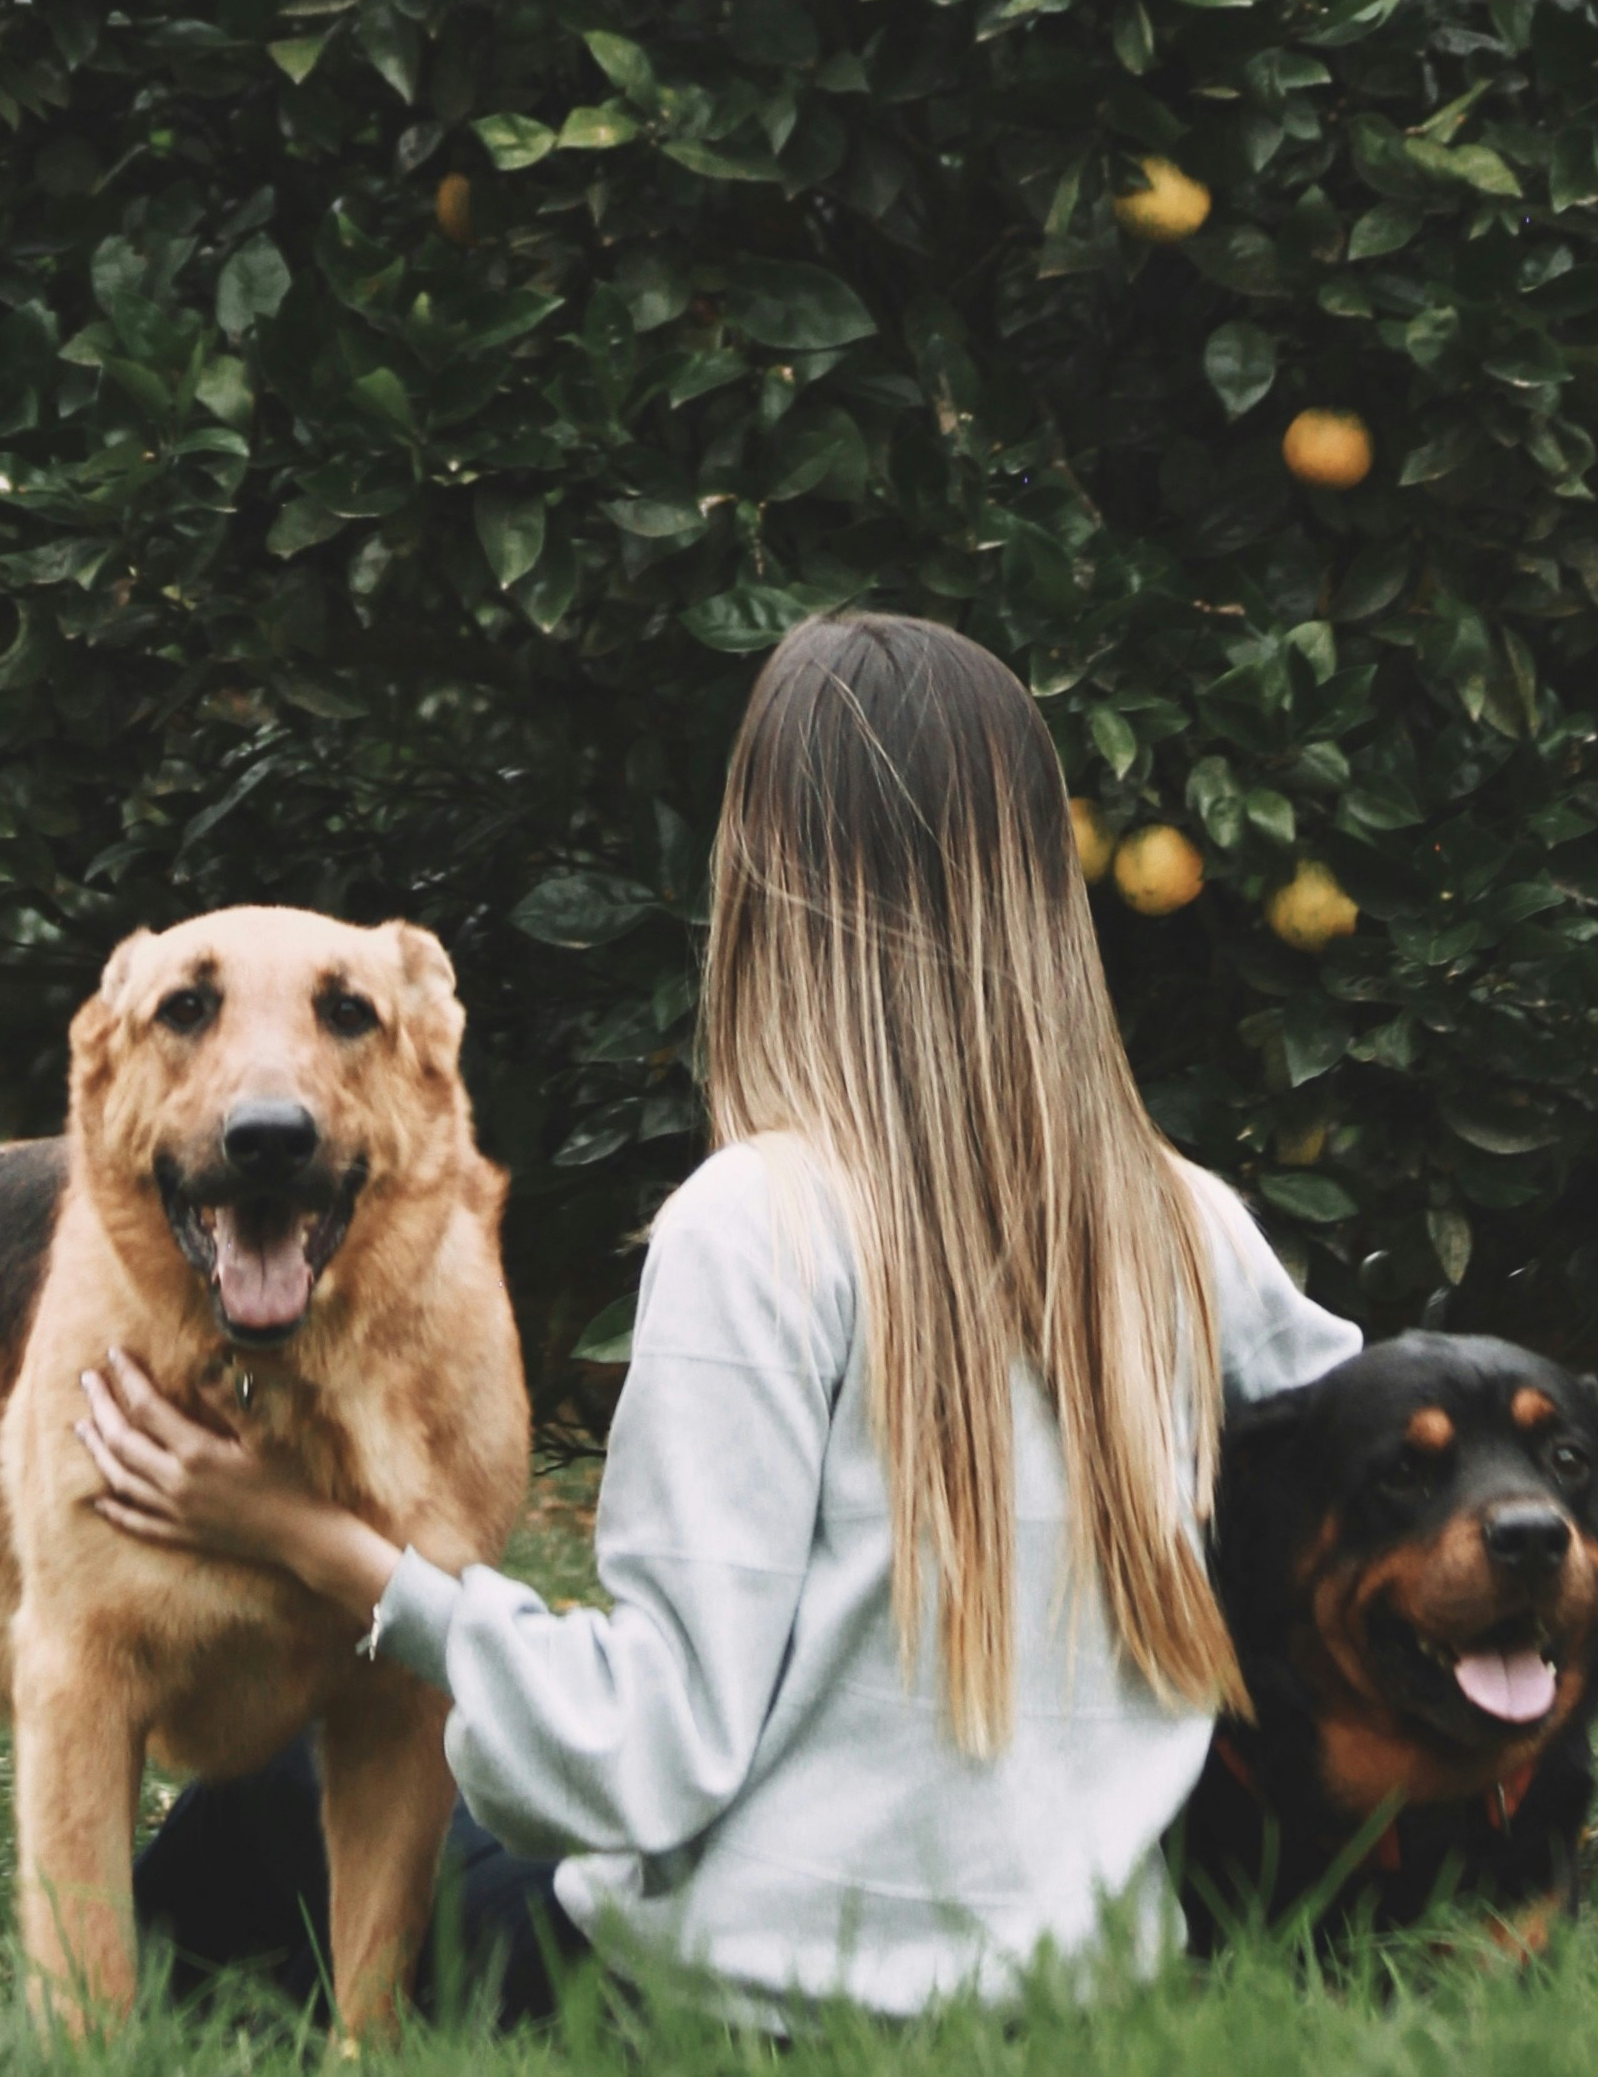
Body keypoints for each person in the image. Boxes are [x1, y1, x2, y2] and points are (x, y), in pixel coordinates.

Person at [79, 609, 1358, 2025]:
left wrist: (321, 1545)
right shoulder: (1185, 1219)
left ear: (762, 882)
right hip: (1073, 1986)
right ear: (1037, 886)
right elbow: (1382, 1455)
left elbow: (653, 1747)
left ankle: (112, 2033)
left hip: (735, 2001)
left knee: (280, 1790)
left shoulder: (758, 1224)